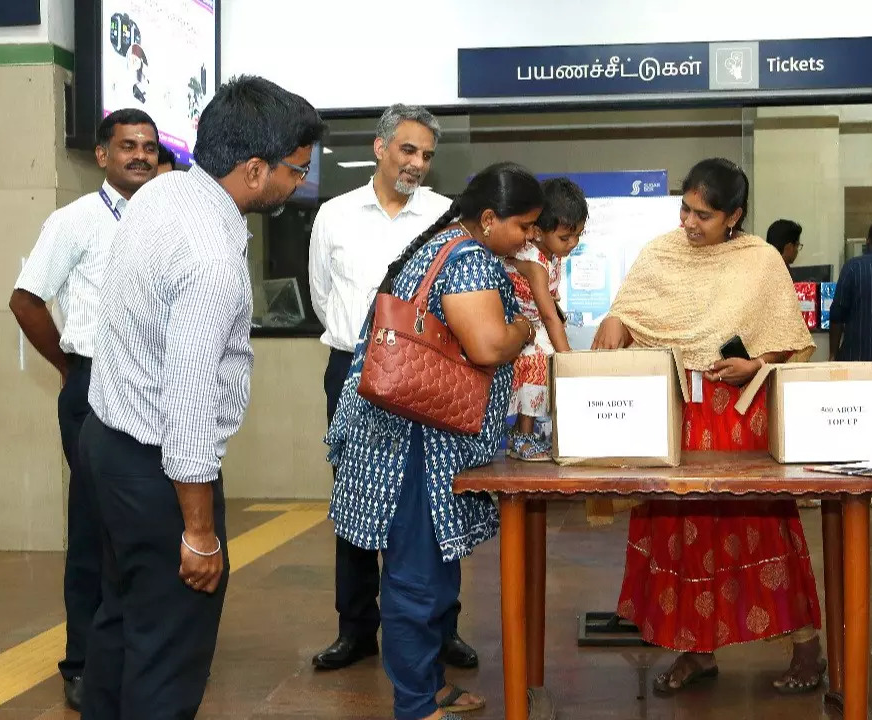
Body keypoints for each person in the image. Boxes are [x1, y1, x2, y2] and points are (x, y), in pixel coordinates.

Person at [78, 75, 321, 719]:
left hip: (107, 441)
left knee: (119, 621)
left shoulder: (160, 194)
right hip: (157, 467)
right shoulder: (213, 248)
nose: (298, 185)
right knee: (168, 645)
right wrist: (200, 530)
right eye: (294, 172)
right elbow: (187, 393)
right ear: (252, 169)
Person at [592, 158, 826, 696]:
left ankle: (806, 646)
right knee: (677, 529)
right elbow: (628, 311)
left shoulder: (761, 260)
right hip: (674, 410)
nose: (690, 223)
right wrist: (613, 324)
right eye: (685, 208)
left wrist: (755, 364)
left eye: (704, 214)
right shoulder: (662, 250)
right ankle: (695, 650)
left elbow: (783, 336)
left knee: (758, 524)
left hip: (735, 414)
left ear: (734, 216)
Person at [326, 162, 543, 720]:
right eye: (523, 226)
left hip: (416, 432)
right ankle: (417, 705)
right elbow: (490, 346)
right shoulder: (467, 258)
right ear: (489, 219)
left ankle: (431, 685)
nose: (529, 238)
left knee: (434, 575)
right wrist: (526, 324)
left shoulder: (448, 244)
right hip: (416, 444)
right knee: (417, 581)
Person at [308, 104, 479, 672]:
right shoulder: (333, 214)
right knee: (355, 499)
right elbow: (322, 296)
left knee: (434, 503)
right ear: (381, 148)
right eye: (408, 150)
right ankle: (355, 629)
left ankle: (442, 627)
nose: (418, 164)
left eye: (427, 155)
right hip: (353, 375)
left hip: (426, 378)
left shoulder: (446, 216)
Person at [9, 108, 159, 711]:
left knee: (146, 524)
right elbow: (25, 301)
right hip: (93, 385)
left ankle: (135, 650)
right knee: (97, 528)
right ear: (102, 155)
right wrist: (70, 368)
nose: (141, 156)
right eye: (128, 146)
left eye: (149, 146)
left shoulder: (167, 220)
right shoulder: (73, 221)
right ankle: (81, 662)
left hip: (154, 390)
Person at [504, 177, 587, 461]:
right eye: (566, 238)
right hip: (520, 326)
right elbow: (549, 316)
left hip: (536, 321)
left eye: (578, 235)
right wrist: (568, 358)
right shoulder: (535, 263)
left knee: (546, 357)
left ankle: (529, 433)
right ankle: (523, 435)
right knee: (539, 359)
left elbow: (551, 305)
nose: (573, 243)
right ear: (538, 232)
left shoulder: (551, 254)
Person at [830, 219, 872, 363]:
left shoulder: (852, 267)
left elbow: (837, 316)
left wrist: (833, 354)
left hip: (855, 357)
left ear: (868, 241)